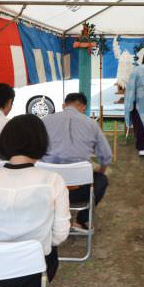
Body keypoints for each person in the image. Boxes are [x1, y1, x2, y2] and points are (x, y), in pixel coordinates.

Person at [0, 114, 70, 287]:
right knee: (50, 250)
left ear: (4, 142)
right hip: (30, 281)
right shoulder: (52, 181)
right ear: (41, 142)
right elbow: (60, 236)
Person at [42, 92, 112, 232]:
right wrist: (99, 171)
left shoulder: (45, 121)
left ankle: (49, 218)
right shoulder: (91, 124)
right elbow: (105, 156)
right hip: (80, 190)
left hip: (48, 188)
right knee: (102, 180)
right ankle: (80, 220)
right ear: (83, 107)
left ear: (64, 105)